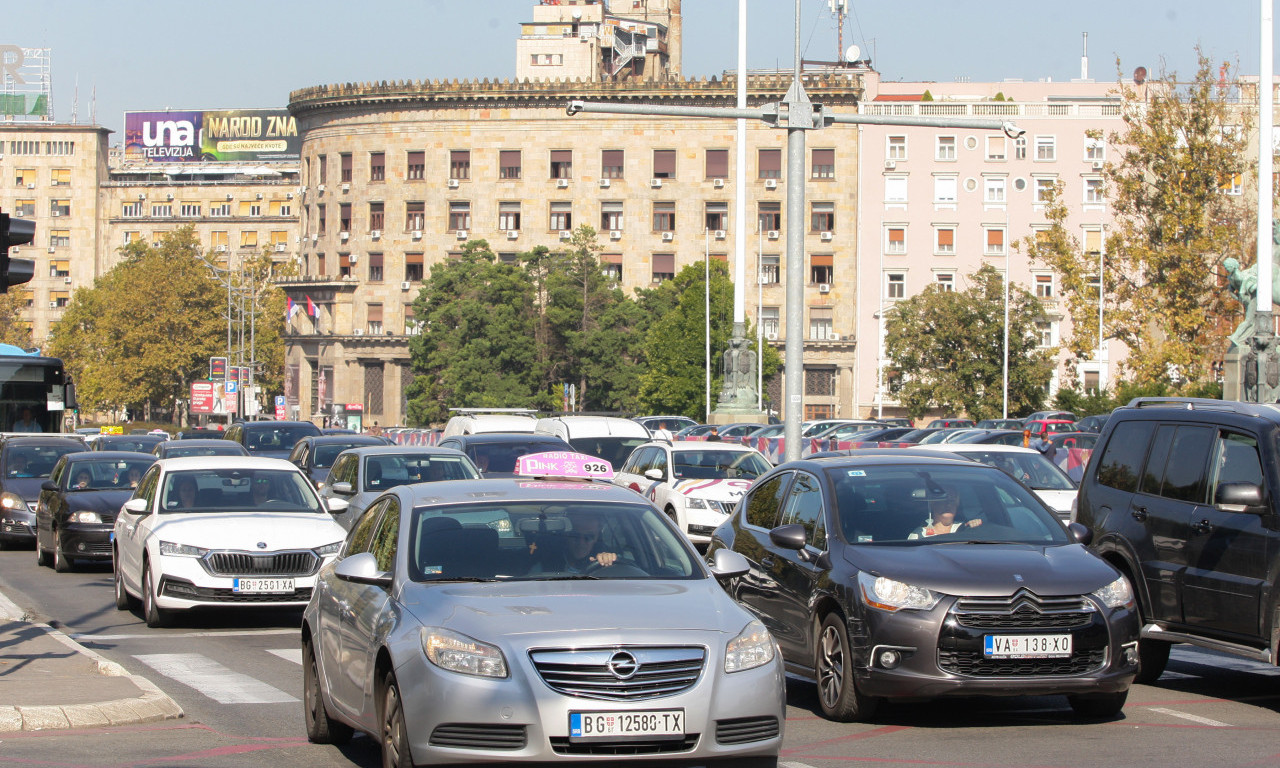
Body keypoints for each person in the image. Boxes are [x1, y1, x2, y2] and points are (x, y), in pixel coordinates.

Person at [908, 489, 982, 539]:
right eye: (943, 500)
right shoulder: (918, 535)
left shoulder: (966, 529)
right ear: (932, 504)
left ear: (957, 504)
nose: (948, 505)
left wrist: (976, 526)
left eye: (952, 501)